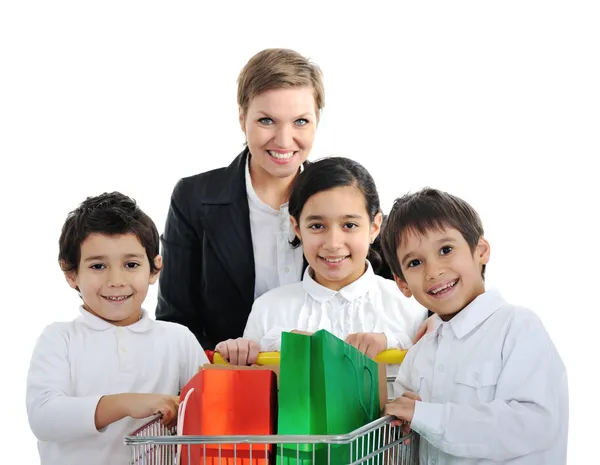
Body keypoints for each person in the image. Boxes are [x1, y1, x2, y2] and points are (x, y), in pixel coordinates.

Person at [156, 48, 393, 350]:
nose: (284, 140)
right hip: (229, 379)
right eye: (267, 121)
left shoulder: (346, 197)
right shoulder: (193, 198)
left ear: (317, 120)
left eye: (300, 122)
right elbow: (175, 321)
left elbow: (394, 296)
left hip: (332, 382)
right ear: (242, 118)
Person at [381, 188, 568, 464]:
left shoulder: (517, 327)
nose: (434, 271)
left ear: (481, 251)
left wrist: (426, 416)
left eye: (446, 250)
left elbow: (533, 427)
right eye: (416, 262)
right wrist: (405, 425)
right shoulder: (417, 358)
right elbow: (409, 445)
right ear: (402, 284)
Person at [26, 192, 209, 465]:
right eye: (98, 266)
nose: (116, 280)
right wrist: (126, 403)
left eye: (131, 264)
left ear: (154, 269)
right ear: (71, 273)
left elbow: (209, 408)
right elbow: (44, 417)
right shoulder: (59, 338)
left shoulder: (177, 339)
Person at [215, 157, 427, 367]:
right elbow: (251, 392)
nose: (333, 244)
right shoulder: (267, 310)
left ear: (375, 226)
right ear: (296, 227)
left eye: (350, 225)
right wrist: (236, 355)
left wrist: (392, 343)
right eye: (317, 226)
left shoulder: (413, 305)